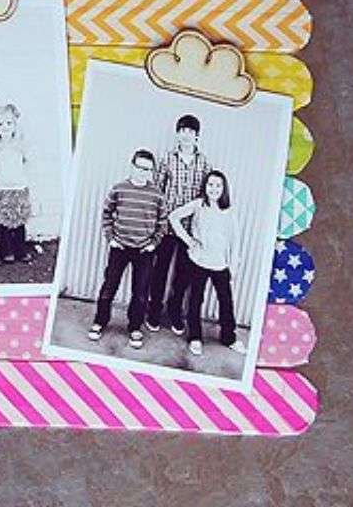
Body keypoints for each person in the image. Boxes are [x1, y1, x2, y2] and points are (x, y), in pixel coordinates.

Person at [89, 149, 166, 350]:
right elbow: (107, 213)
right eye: (139, 167)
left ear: (152, 171)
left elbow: (162, 222)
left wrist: (153, 243)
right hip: (120, 247)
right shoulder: (119, 189)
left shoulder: (156, 194)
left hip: (144, 250)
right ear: (132, 166)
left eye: (147, 169)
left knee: (140, 292)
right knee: (109, 287)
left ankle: (135, 327)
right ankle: (100, 321)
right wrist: (110, 238)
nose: (143, 172)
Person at [168, 170, 248, 357]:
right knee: (195, 300)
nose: (214, 189)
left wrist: (233, 267)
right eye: (210, 184)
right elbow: (173, 217)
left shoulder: (229, 212)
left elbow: (235, 241)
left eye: (218, 185)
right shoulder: (198, 205)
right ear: (205, 187)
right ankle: (195, 337)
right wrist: (189, 241)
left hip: (220, 264)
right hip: (198, 261)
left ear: (224, 189)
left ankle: (229, 338)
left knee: (226, 302)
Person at [147, 114, 212, 334]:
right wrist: (156, 220)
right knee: (160, 269)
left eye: (190, 131)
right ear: (177, 134)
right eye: (182, 130)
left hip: (190, 228)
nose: (186, 135)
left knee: (183, 273)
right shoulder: (167, 159)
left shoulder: (204, 163)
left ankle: (174, 311)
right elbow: (157, 190)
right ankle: (154, 310)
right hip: (167, 225)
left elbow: (205, 197)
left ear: (197, 136)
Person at [0, 103, 33, 264]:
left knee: (19, 221)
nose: (5, 127)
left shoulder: (20, 143)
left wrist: (20, 175)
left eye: (9, 123)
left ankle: (21, 250)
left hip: (18, 188)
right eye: (0, 124)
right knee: (2, 222)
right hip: (0, 188)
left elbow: (28, 161)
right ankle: (7, 251)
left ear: (15, 125)